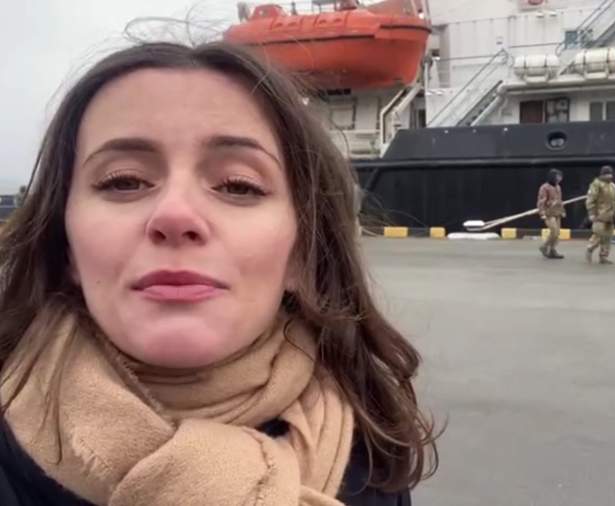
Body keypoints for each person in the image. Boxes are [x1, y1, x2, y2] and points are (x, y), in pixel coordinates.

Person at [0, 42, 436, 506]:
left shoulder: (372, 458)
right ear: (66, 245)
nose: (175, 214)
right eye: (123, 181)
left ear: (301, 253)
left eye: (238, 185)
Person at [585, 165, 615, 265]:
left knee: (608, 237)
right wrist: (591, 213)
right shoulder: (596, 185)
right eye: (607, 174)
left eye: (610, 174)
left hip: (611, 215)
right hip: (599, 215)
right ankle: (590, 249)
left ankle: (603, 256)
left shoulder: (612, 186)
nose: (610, 176)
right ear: (602, 175)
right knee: (599, 235)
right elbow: (590, 199)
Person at [537, 168, 565, 259]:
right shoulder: (545, 187)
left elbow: (560, 200)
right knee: (554, 231)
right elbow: (541, 201)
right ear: (553, 177)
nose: (560, 178)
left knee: (557, 233)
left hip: (557, 212)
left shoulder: (558, 187)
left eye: (560, 176)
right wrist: (542, 213)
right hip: (548, 213)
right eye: (558, 176)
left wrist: (562, 211)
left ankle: (552, 250)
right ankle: (544, 246)